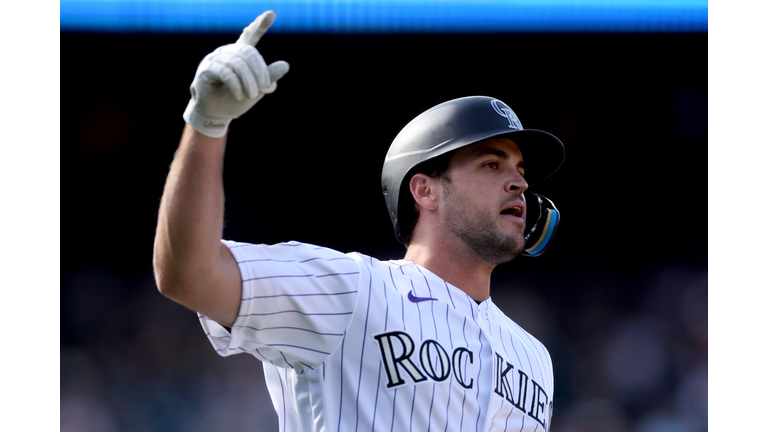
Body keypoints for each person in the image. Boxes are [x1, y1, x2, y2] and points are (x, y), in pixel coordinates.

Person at [153, 10, 565, 432]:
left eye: (521, 170)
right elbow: (189, 273)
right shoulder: (352, 290)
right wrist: (207, 124)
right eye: (492, 165)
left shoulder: (534, 357)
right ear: (425, 190)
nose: (518, 182)